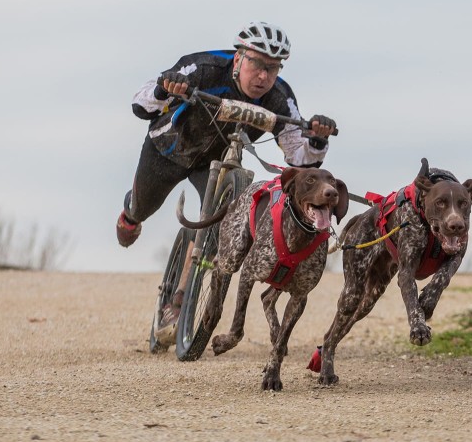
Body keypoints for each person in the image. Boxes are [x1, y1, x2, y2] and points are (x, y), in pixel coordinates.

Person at [117, 21, 336, 332]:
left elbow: (297, 156)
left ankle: (178, 301)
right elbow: (140, 105)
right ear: (238, 58)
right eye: (257, 64)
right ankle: (131, 212)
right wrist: (163, 88)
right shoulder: (203, 67)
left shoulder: (280, 97)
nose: (264, 76)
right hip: (167, 150)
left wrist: (316, 139)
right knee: (141, 209)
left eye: (273, 68)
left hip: (217, 164)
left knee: (224, 225)